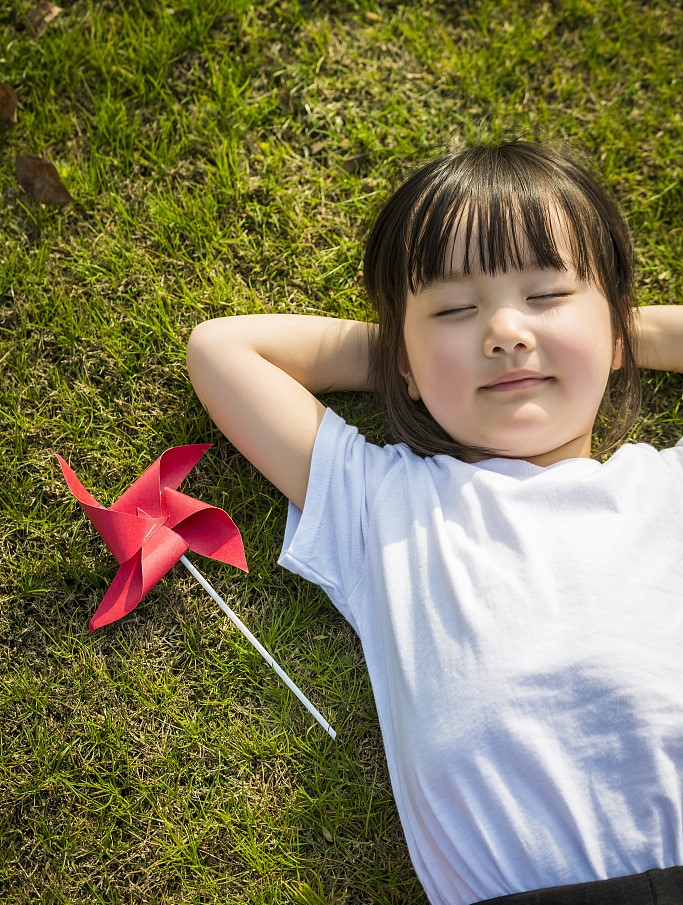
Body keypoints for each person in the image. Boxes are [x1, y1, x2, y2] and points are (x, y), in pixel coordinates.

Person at [186, 140, 683, 904]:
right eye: (453, 310)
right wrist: (405, 358)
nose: (505, 332)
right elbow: (223, 349)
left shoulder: (667, 485)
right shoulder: (383, 506)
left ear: (616, 332)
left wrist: (624, 331)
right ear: (403, 368)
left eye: (548, 295)